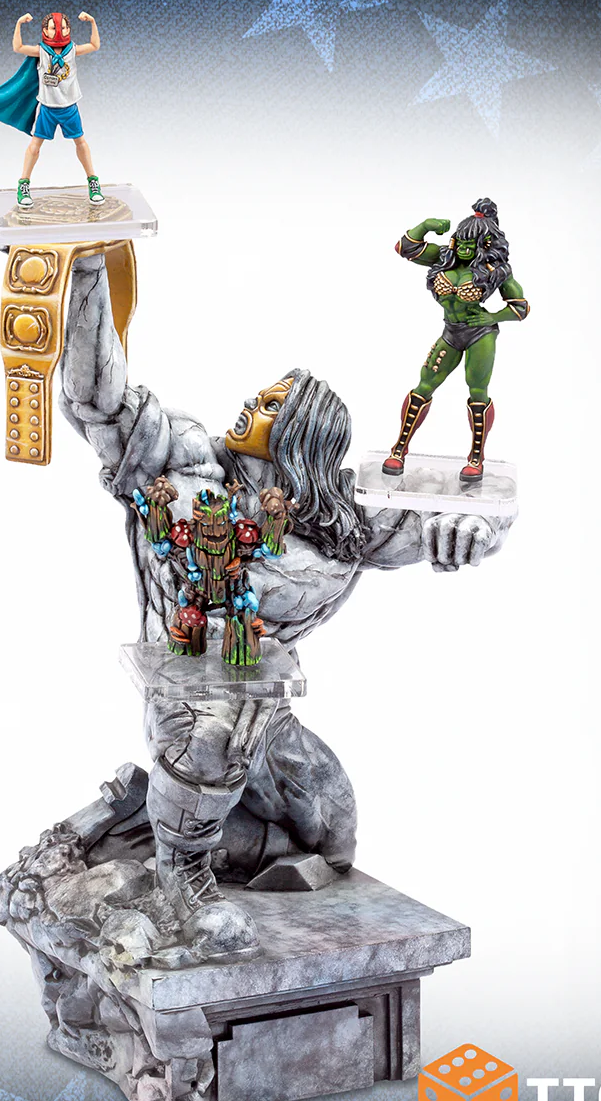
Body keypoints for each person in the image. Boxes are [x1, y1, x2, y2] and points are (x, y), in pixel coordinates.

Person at [56, 252, 515, 962]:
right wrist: (87, 273)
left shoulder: (343, 522)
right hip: (189, 696)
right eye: (261, 395)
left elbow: (466, 506)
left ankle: (142, 814)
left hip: (266, 710)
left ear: (302, 433)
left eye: (272, 404)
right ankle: (182, 880)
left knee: (329, 835)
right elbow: (99, 401)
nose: (252, 403)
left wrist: (474, 531)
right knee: (214, 740)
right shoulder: (186, 463)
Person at [384, 198, 530, 480]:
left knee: (477, 390)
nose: (462, 248)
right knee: (425, 383)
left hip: (479, 335)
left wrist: (492, 317)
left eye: (469, 244)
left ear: (483, 245)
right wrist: (426, 225)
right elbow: (405, 248)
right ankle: (399, 449)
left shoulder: (497, 271)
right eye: (460, 242)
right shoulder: (444, 258)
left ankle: (476, 457)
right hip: (451, 332)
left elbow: (521, 307)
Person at [0, 11, 104, 208]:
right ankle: (23, 184)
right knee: (34, 147)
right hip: (47, 109)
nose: (59, 31)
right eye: (54, 28)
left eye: (63, 27)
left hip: (69, 108)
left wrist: (93, 22)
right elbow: (18, 47)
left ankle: (93, 182)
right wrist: (19, 23)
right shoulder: (42, 51)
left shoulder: (72, 50)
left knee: (81, 143)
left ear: (69, 29)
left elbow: (95, 45)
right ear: (45, 30)